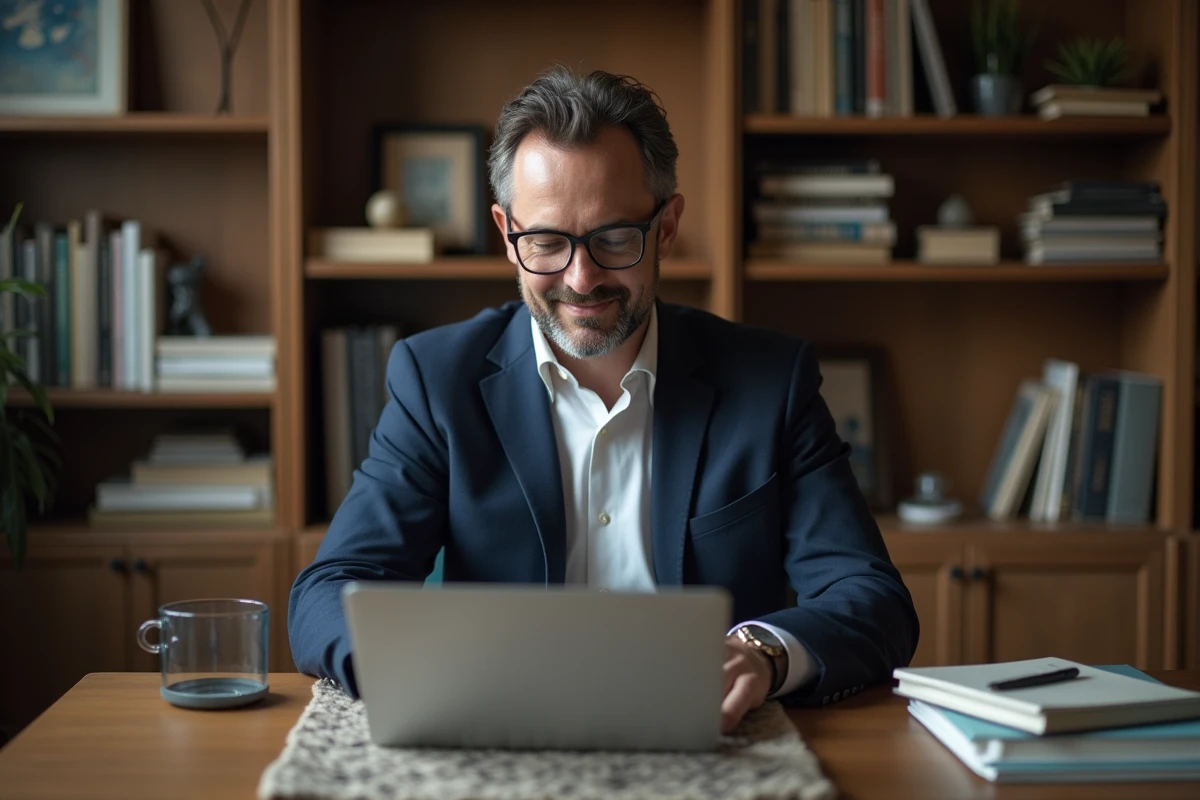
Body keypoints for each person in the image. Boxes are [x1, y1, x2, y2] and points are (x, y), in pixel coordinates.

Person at [289, 67, 919, 734]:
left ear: (667, 227)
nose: (581, 279)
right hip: (501, 737)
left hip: (715, 742)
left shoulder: (771, 381)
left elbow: (872, 599)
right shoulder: (434, 380)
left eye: (614, 238)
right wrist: (420, 672)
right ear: (507, 233)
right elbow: (327, 592)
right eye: (547, 242)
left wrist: (761, 653)